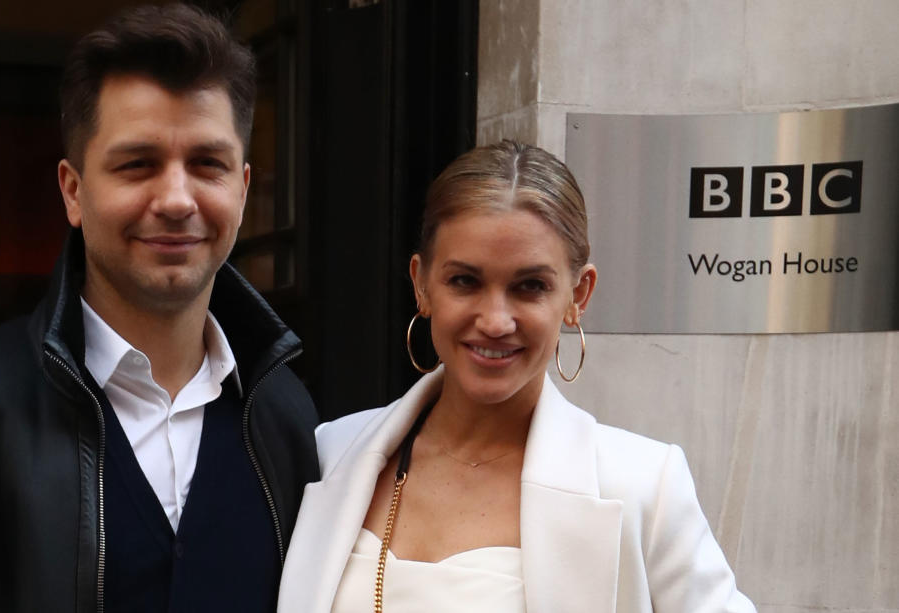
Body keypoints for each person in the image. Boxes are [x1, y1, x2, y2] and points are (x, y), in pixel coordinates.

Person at [0, 3, 319, 613]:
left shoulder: (284, 415)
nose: (177, 199)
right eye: (138, 164)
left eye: (206, 164)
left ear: (241, 189)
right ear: (73, 191)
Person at [277, 141, 755, 612]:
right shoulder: (330, 453)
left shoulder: (643, 486)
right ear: (422, 285)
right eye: (465, 281)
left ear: (578, 295)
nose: (495, 321)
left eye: (530, 287)